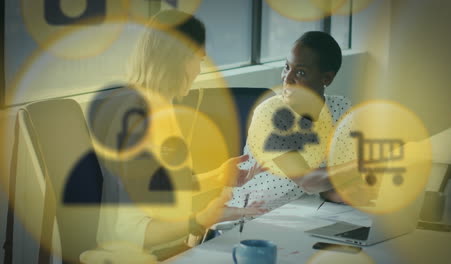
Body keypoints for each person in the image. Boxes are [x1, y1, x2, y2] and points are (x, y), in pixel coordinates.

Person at [94, 10, 266, 258]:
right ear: (177, 58)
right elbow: (126, 233)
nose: (198, 70)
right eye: (198, 59)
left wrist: (219, 176)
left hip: (171, 249)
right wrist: (200, 219)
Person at [228, 31, 354, 212]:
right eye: (287, 67)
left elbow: (330, 186)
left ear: (326, 78)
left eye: (301, 72)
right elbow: (307, 181)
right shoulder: (270, 114)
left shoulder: (341, 109)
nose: (287, 79)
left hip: (303, 210)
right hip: (249, 215)